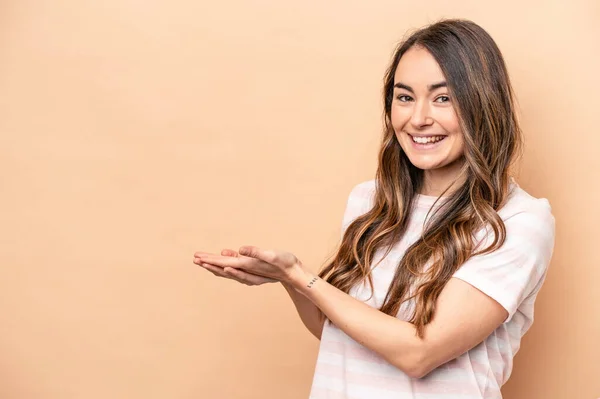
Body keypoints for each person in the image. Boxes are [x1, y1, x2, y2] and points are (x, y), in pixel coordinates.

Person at [193, 18, 555, 398]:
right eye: (404, 97)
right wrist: (287, 280)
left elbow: (420, 352)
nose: (418, 119)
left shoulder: (517, 221)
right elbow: (337, 331)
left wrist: (302, 276)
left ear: (482, 104)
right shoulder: (371, 201)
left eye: (443, 98)